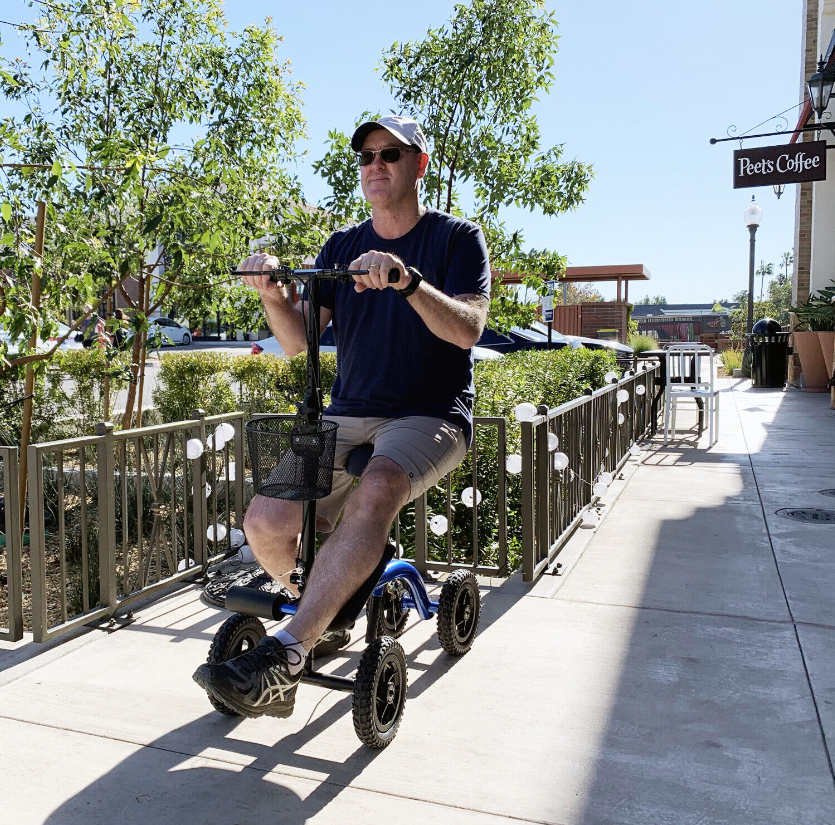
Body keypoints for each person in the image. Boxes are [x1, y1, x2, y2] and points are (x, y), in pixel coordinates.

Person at [193, 115, 491, 719]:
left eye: (389, 154)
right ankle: (325, 612)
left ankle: (289, 652)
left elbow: (468, 329)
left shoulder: (457, 238)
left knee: (376, 490)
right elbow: (297, 342)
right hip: (347, 413)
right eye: (366, 156)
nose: (375, 164)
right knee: (265, 522)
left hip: (430, 415)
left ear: (419, 164)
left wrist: (407, 283)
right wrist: (273, 296)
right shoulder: (340, 246)